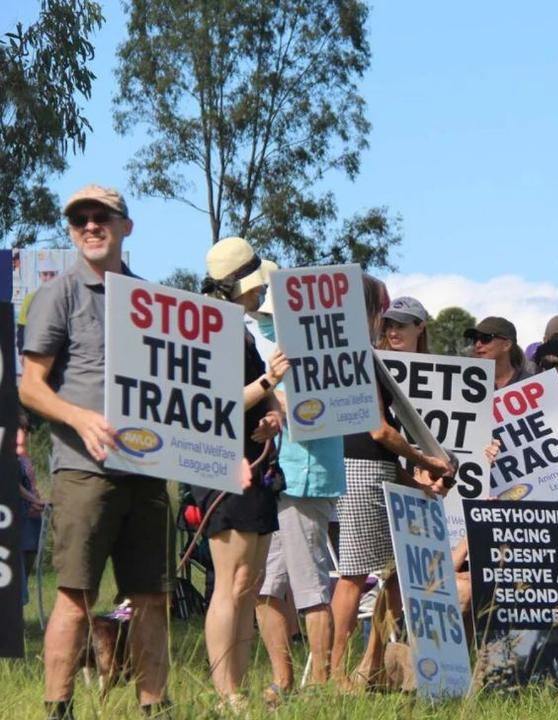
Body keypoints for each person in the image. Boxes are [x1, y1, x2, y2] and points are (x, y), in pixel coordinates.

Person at [19, 185, 171, 718]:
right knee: (75, 595)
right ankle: (57, 709)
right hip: (85, 471)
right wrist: (81, 418)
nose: (89, 225)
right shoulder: (58, 294)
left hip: (149, 470)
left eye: (101, 216)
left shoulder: (152, 300)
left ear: (125, 226)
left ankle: (156, 707)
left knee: (150, 597)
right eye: (79, 218)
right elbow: (30, 386)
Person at [331, 276, 453, 685]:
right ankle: (335, 673)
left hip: (377, 471)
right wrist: (426, 461)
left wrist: (414, 479)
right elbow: (378, 432)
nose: (387, 324)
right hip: (361, 472)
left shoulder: (364, 354)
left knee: (398, 573)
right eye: (383, 314)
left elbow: (382, 443)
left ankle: (371, 663)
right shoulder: (358, 355)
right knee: (353, 574)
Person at [191, 237, 289, 708]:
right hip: (221, 464)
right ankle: (224, 690)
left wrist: (273, 413)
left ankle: (241, 686)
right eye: (253, 286)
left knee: (248, 582)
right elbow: (216, 403)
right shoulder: (208, 331)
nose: (259, 294)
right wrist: (269, 382)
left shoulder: (243, 332)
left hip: (259, 465)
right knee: (230, 582)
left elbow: (257, 398)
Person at [251, 275, 346, 700]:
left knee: (309, 586)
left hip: (307, 478)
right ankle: (282, 680)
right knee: (264, 585)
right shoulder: (262, 345)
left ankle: (320, 686)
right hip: (271, 477)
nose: (264, 316)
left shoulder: (330, 345)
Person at [15, 412, 47, 606]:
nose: (24, 433)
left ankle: (18, 613)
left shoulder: (25, 458)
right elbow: (13, 485)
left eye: (25, 429)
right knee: (17, 569)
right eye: (21, 428)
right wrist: (34, 498)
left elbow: (30, 484)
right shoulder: (7, 457)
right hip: (18, 518)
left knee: (26, 566)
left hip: (32, 519)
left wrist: (40, 500)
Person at [465, 316, 530, 390]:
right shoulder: (465, 383)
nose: (477, 345)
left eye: (486, 338)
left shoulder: (530, 383)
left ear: (507, 345)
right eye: (475, 339)